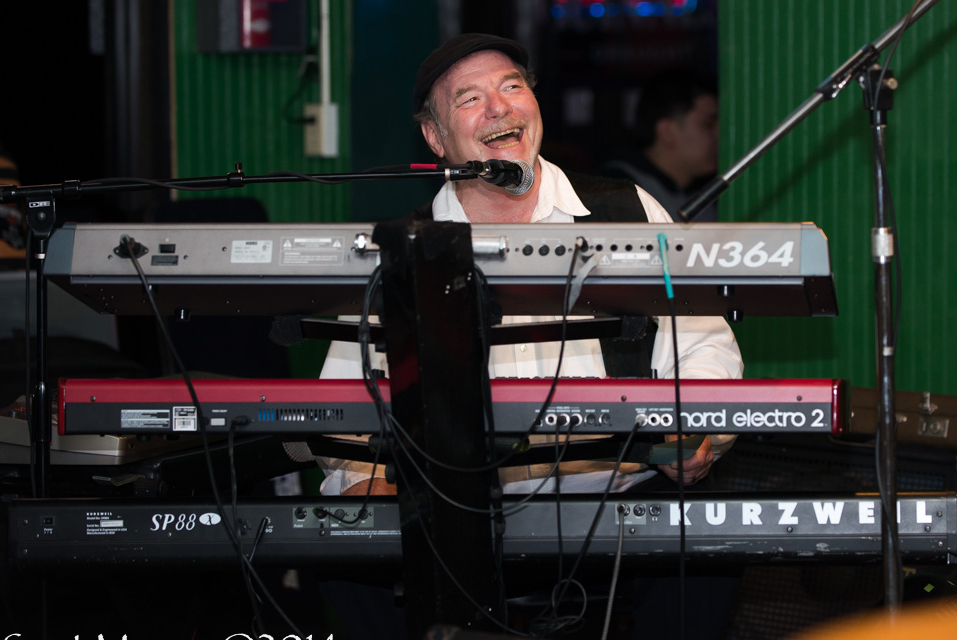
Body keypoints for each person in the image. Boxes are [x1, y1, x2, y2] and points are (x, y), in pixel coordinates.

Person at [315, 34, 742, 498]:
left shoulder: (628, 212)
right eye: (470, 99)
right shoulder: (403, 251)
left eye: (512, 86)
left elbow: (704, 345)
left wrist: (692, 428)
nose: (499, 108)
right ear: (435, 137)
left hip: (626, 508)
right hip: (461, 519)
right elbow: (344, 407)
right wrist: (365, 480)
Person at [601, 69, 720, 222]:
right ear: (668, 132)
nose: (719, 135)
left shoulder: (705, 195)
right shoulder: (617, 192)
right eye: (708, 125)